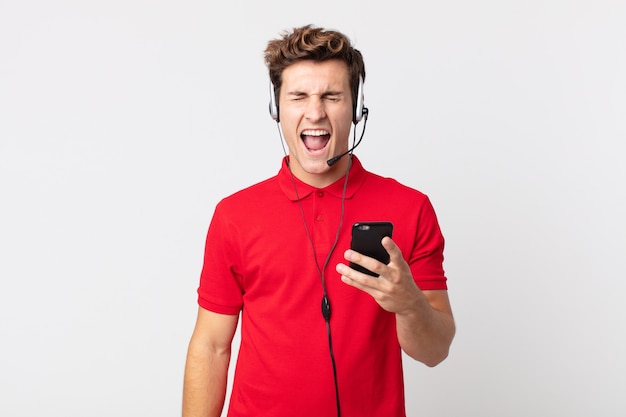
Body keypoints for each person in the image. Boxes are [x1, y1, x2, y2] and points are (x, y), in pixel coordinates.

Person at [182, 24, 455, 417]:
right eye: (298, 96)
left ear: (356, 107)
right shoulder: (234, 215)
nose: (315, 112)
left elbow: (435, 351)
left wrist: (409, 304)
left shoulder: (410, 208)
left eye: (331, 96)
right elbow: (211, 345)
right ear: (277, 108)